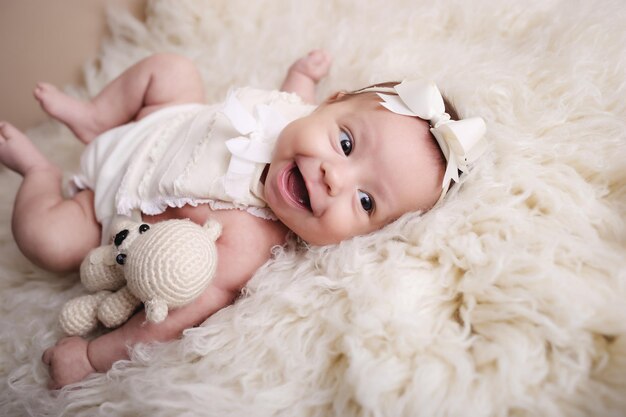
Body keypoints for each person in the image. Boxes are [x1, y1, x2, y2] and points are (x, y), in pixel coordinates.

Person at [0, 49, 486, 389]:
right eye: (346, 144)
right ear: (329, 103)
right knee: (171, 69)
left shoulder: (248, 244)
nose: (335, 178)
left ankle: (39, 172)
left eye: (365, 202)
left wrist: (91, 357)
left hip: (105, 200)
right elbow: (291, 101)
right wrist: (301, 74)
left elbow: (171, 322)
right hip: (162, 117)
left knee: (48, 239)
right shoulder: (293, 112)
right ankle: (97, 116)